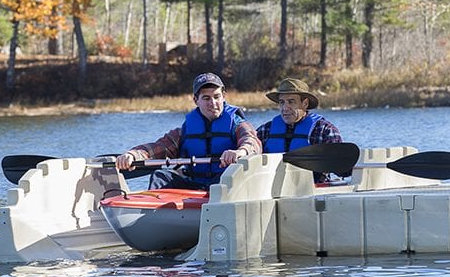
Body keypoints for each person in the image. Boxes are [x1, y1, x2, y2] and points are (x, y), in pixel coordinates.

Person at [113, 72, 261, 189]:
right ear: (196, 100)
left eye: (217, 97)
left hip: (224, 183)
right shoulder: (185, 130)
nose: (213, 103)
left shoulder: (237, 124)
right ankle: (154, 216)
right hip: (194, 183)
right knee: (160, 175)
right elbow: (158, 148)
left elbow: (252, 141)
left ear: (223, 97)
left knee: (227, 180)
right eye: (206, 98)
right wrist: (133, 155)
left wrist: (240, 152)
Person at [255, 78, 346, 182]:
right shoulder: (265, 130)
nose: (285, 107)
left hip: (313, 191)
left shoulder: (324, 130)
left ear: (305, 104)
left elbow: (341, 168)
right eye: (282, 102)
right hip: (271, 190)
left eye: (291, 102)